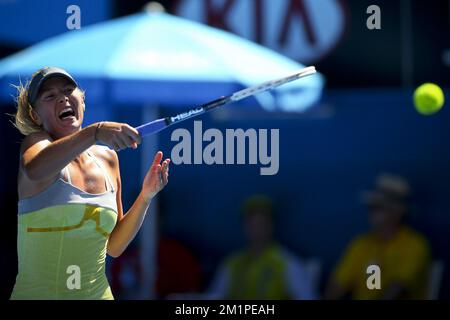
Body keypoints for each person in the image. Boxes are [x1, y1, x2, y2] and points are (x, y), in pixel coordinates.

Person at [10, 67, 170, 300]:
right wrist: (94, 132)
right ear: (35, 115)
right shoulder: (37, 144)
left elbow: (114, 246)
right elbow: (34, 170)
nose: (63, 98)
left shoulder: (108, 159)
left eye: (67, 90)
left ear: (82, 102)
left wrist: (146, 195)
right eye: (50, 96)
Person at [324, 173, 431, 300]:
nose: (371, 212)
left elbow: (398, 289)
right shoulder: (361, 244)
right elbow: (338, 284)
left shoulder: (415, 245)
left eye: (379, 207)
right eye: (371, 206)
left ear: (398, 212)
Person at [205, 195, 317, 300]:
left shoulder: (287, 263)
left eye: (261, 223)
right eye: (251, 223)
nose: (256, 229)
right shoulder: (232, 263)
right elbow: (213, 296)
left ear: (271, 225)